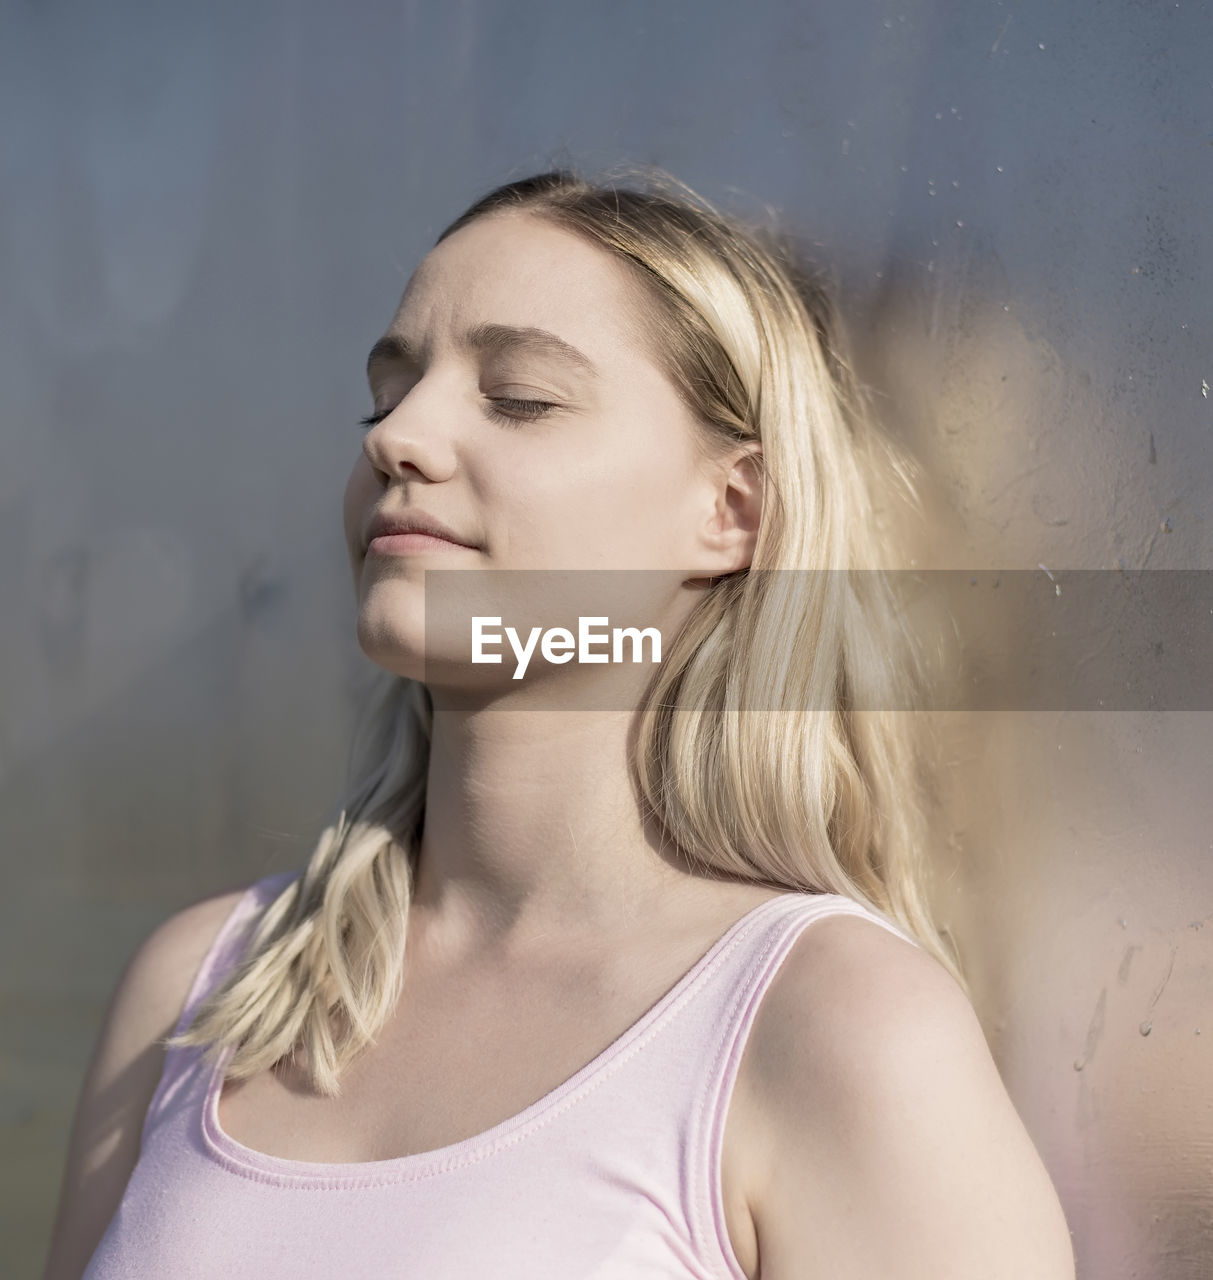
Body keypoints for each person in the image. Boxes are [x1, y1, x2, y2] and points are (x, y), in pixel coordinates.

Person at [43, 166, 1076, 1279]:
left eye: (520, 397)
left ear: (730, 510)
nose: (399, 439)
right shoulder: (202, 986)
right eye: (384, 393)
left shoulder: (837, 1027)